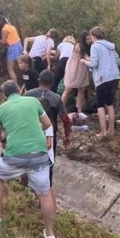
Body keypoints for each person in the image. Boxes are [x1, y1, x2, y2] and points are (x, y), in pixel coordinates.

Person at [0, 81, 57, 238]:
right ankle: (49, 234)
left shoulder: (0, 110)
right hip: (39, 156)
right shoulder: (33, 102)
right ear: (20, 92)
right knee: (44, 194)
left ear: (4, 96)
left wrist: (5, 138)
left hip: (14, 156)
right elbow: (48, 124)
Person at [25, 69, 72, 209]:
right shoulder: (56, 98)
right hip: (48, 134)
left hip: (31, 133)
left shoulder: (28, 95)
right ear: (52, 84)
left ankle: (29, 187)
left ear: (39, 81)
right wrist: (67, 135)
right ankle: (45, 196)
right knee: (48, 164)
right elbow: (65, 119)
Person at [81, 27, 120, 137]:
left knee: (100, 105)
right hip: (115, 77)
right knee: (110, 104)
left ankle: (103, 132)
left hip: (103, 78)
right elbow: (118, 60)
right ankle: (111, 130)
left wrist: (84, 61)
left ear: (93, 36)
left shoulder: (95, 46)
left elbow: (93, 63)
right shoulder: (111, 46)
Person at [62, 31, 90, 114]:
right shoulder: (78, 46)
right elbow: (86, 57)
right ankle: (60, 109)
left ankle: (79, 111)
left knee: (82, 89)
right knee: (68, 89)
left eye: (89, 38)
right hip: (74, 67)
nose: (89, 40)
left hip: (82, 68)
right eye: (87, 39)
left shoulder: (89, 46)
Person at [0, 14, 22, 83]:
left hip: (12, 47)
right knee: (20, 65)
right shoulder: (11, 26)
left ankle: (15, 85)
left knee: (10, 69)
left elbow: (3, 42)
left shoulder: (4, 29)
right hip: (18, 45)